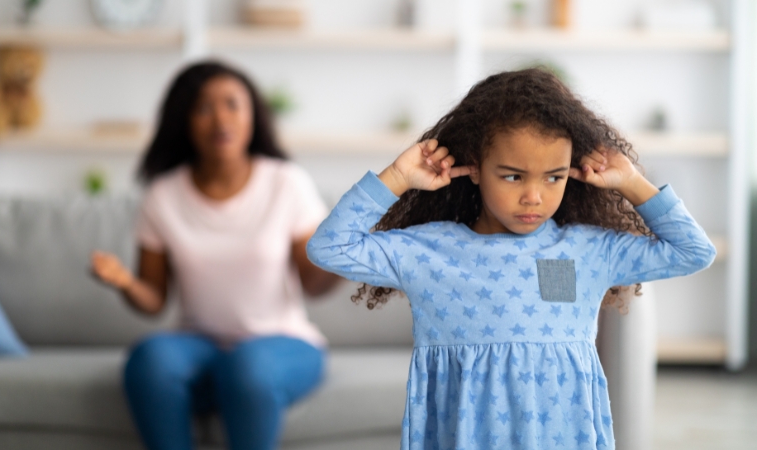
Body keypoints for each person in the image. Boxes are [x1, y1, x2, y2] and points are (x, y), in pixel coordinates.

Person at [306, 68, 716, 449]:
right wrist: (396, 177)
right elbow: (329, 247)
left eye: (553, 177)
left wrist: (630, 181)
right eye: (513, 176)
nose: (533, 196)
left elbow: (694, 251)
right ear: (475, 168)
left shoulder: (588, 250)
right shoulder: (429, 251)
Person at [90, 61, 340, 450]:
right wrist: (125, 283)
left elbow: (314, 283)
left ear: (253, 115)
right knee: (149, 361)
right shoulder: (163, 196)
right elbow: (154, 299)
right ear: (184, 121)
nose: (220, 118)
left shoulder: (286, 183)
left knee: (245, 369)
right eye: (204, 108)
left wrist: (345, 256)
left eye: (232, 104)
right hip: (198, 346)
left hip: (280, 344)